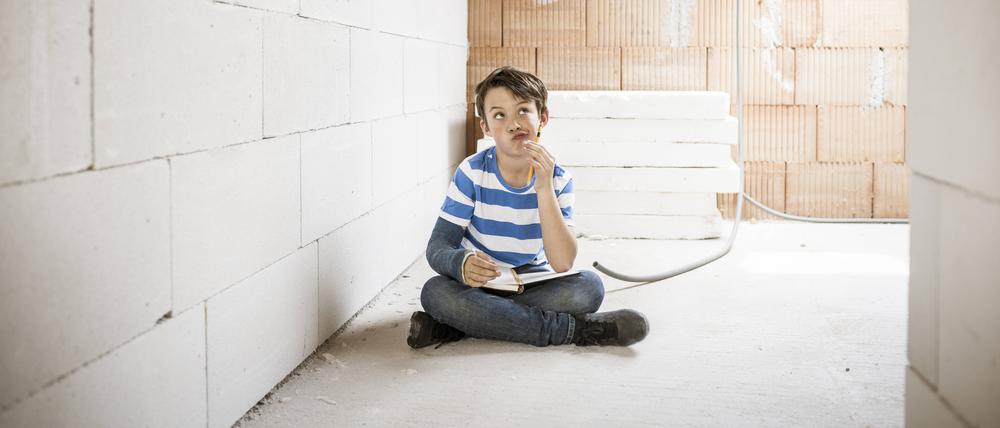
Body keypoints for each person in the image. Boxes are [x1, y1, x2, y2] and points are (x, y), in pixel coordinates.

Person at [407, 66, 649, 349]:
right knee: (435, 292)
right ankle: (573, 331)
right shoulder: (472, 172)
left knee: (588, 289)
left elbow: (562, 262)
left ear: (542, 118)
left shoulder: (558, 179)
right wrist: (460, 264)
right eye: (499, 115)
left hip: (530, 284)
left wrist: (544, 189)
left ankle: (458, 325)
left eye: (523, 110)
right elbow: (438, 246)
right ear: (485, 126)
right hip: (477, 285)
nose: (514, 123)